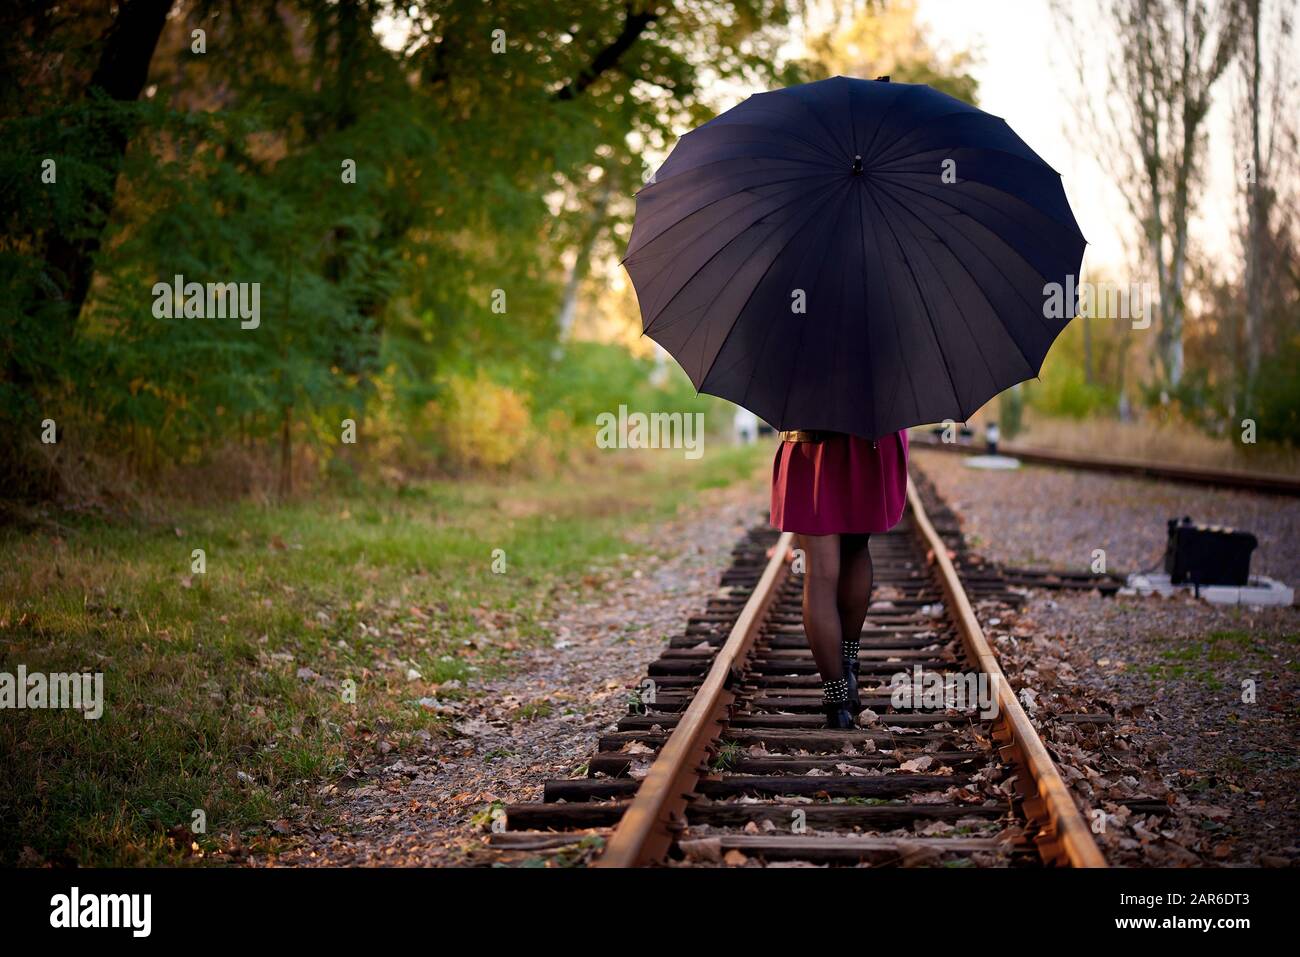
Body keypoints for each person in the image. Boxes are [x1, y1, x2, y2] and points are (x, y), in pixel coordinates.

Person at [770, 430, 909, 728]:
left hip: (810, 439)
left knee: (819, 574)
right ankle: (848, 669)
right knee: (856, 549)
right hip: (868, 439)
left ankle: (837, 703)